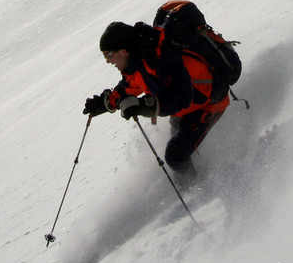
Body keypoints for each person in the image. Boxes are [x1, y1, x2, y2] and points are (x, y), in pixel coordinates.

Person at [83, 19, 230, 175]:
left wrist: (145, 105)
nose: (107, 61)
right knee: (176, 141)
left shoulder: (162, 57)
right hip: (186, 108)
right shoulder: (138, 63)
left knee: (176, 156)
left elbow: (182, 96)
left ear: (123, 50)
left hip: (209, 102)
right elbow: (128, 88)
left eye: (108, 54)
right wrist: (103, 104)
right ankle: (194, 182)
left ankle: (200, 192)